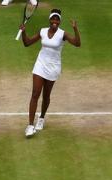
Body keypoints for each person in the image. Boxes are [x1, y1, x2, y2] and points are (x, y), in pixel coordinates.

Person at [20, 9, 80, 138]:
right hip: (40, 65)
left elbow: (77, 43)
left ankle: (41, 118)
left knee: (46, 96)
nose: (55, 21)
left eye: (57, 19)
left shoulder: (62, 34)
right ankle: (30, 125)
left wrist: (75, 29)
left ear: (59, 21)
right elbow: (27, 43)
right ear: (49, 19)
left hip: (53, 68)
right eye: (53, 19)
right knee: (35, 93)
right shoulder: (42, 31)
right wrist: (24, 32)